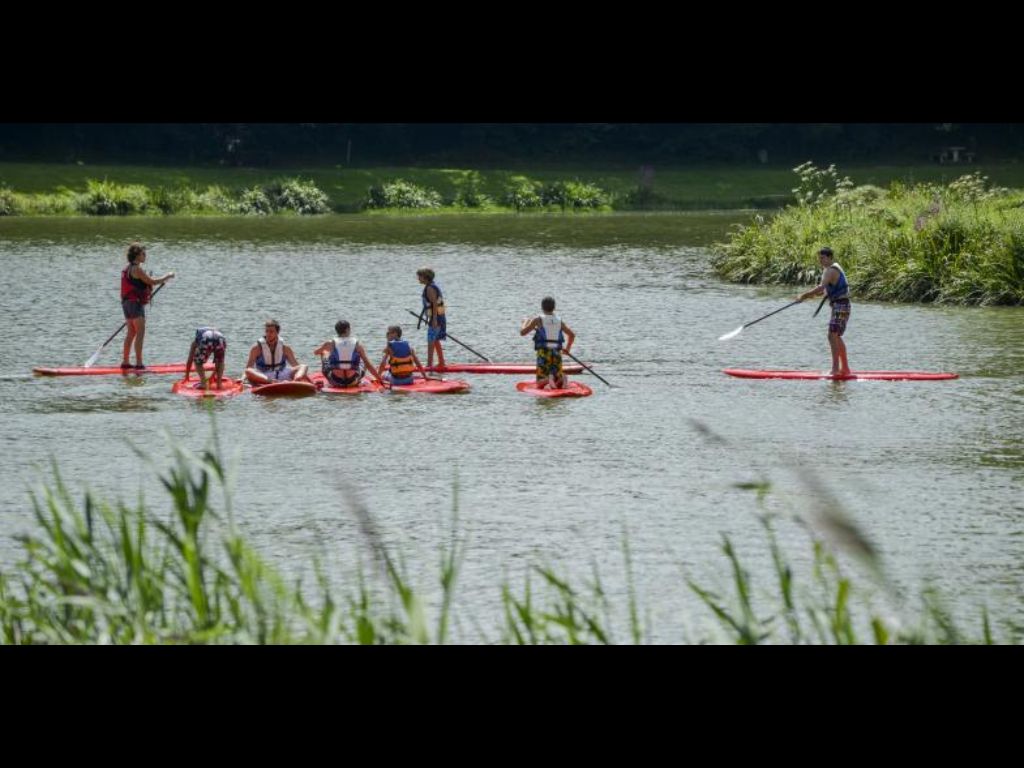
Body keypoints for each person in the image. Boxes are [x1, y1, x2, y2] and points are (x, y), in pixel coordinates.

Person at [119, 242, 174, 369]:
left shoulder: (127, 268)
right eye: (143, 253)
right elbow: (152, 282)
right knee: (140, 333)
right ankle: (139, 363)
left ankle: (125, 362)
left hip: (126, 304)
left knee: (131, 333)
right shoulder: (137, 269)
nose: (145, 255)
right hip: (135, 304)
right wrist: (168, 276)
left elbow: (140, 283)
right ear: (137, 255)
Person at [798, 246, 851, 376]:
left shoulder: (830, 270)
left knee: (832, 335)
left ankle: (835, 370)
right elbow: (826, 291)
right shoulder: (832, 268)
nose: (820, 260)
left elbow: (821, 287)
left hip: (841, 305)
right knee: (836, 336)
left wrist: (804, 296)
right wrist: (810, 296)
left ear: (830, 258)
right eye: (819, 258)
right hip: (841, 305)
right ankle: (844, 369)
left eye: (823, 258)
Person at [520, 296, 576, 389]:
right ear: (554, 307)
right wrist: (567, 349)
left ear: (542, 307)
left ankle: (547, 379)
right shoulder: (559, 321)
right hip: (556, 353)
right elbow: (572, 335)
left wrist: (525, 322)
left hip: (544, 353)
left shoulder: (538, 320)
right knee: (557, 377)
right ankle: (562, 378)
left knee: (539, 383)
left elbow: (522, 333)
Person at [312, 320, 384, 388]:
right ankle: (358, 381)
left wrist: (326, 352)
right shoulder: (357, 344)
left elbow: (316, 352)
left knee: (323, 352)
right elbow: (368, 365)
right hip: (352, 381)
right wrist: (379, 379)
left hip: (335, 380)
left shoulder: (330, 343)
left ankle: (330, 381)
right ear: (347, 329)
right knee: (364, 361)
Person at [243, 319, 310, 385]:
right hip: (264, 375)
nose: (268, 334)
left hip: (282, 374)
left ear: (277, 333)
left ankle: (296, 381)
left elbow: (296, 365)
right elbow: (249, 367)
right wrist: (242, 379)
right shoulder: (256, 348)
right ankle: (271, 382)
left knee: (303, 366)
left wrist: (308, 379)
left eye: (271, 332)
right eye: (267, 331)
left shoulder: (285, 348)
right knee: (248, 371)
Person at [416, 268, 447, 368]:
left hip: (436, 318)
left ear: (425, 277)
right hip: (438, 317)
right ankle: (441, 362)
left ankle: (429, 365)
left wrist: (434, 319)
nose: (418, 278)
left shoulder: (430, 288)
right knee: (435, 339)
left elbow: (434, 304)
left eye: (419, 276)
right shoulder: (431, 286)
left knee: (431, 341)